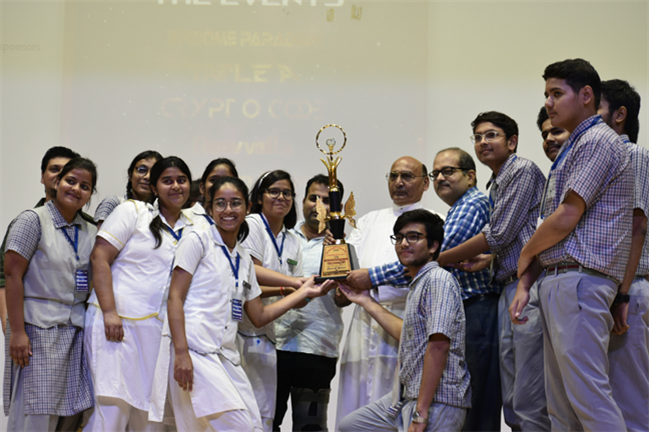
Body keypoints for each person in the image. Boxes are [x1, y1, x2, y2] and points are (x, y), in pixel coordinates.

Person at [149, 177, 335, 432]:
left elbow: (259, 315)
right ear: (209, 207)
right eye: (220, 203)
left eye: (235, 203)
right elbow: (175, 298)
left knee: (252, 425)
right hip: (194, 349)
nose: (228, 210)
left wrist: (302, 291)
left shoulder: (243, 258)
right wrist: (181, 353)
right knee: (238, 426)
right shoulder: (197, 240)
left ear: (247, 207)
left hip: (226, 354)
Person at [510, 58, 633, 432]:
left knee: (589, 399)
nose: (548, 102)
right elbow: (556, 222)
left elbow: (567, 215)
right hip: (561, 279)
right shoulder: (575, 144)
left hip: (580, 280)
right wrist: (526, 282)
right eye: (546, 94)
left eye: (556, 93)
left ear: (586, 95)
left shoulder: (598, 140)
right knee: (562, 408)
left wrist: (526, 253)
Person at [348, 149, 500, 431]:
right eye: (436, 172)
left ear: (470, 176)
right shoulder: (377, 224)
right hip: (454, 321)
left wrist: (371, 277)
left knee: (477, 410)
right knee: (353, 422)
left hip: (476, 312)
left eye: (448, 171)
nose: (441, 177)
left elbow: (437, 257)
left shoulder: (470, 207)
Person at [435, 112, 548, 431]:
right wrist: (488, 260)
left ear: (512, 142)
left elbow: (498, 233)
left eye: (492, 135)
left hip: (529, 285)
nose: (483, 142)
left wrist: (436, 259)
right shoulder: (496, 182)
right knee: (512, 395)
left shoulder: (521, 169)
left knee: (528, 392)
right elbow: (513, 238)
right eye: (478, 137)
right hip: (507, 284)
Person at [84, 156, 194, 432]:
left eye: (181, 180)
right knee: (111, 413)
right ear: (154, 187)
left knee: (146, 417)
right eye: (167, 181)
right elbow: (99, 257)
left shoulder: (194, 227)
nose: (175, 186)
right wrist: (110, 312)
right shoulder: (132, 211)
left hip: (155, 333)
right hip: (115, 327)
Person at [338, 209, 471, 432]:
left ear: (433, 246)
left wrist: (421, 413)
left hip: (438, 401)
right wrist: (365, 300)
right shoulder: (419, 282)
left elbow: (439, 345)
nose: (403, 243)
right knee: (351, 426)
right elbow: (408, 334)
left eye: (413, 237)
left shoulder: (438, 279)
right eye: (399, 238)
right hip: (409, 397)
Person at [335, 156, 441, 429]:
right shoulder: (368, 221)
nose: (398, 182)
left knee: (396, 407)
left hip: (406, 318)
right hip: (363, 321)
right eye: (393, 176)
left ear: (425, 183)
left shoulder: (436, 221)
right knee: (354, 405)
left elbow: (422, 270)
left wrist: (370, 278)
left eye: (407, 176)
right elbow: (348, 268)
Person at [3, 157, 98, 431]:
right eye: (71, 181)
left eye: (85, 186)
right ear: (57, 183)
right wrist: (17, 332)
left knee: (72, 417)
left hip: (76, 333)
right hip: (37, 331)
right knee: (35, 414)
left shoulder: (91, 230)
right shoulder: (32, 220)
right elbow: (12, 275)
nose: (76, 189)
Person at [273, 174, 345, 432]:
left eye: (326, 200)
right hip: (274, 343)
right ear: (302, 201)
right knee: (267, 422)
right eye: (313, 198)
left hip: (317, 347)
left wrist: (338, 254)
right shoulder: (281, 237)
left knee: (310, 427)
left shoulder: (343, 245)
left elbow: (344, 298)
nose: (319, 205)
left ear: (337, 207)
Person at [598, 78, 649, 432]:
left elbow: (637, 225)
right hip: (607, 289)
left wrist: (623, 293)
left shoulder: (634, 155)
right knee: (604, 396)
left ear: (619, 115)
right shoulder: (599, 160)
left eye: (595, 109)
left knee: (629, 397)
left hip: (628, 288)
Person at [239, 170, 304, 432]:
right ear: (259, 197)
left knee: (264, 416)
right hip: (240, 332)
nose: (281, 197)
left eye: (287, 193)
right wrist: (293, 286)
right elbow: (250, 272)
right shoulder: (252, 223)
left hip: (269, 335)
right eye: (274, 191)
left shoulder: (293, 240)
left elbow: (298, 296)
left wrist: (309, 291)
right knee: (240, 413)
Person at [0, 146, 81, 333]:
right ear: (42, 176)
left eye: (67, 172)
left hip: (78, 329)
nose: (60, 175)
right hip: (35, 328)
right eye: (54, 169)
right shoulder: (27, 222)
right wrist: (12, 331)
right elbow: (4, 279)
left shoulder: (90, 228)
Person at [93, 150, 162, 227]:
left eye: (154, 173)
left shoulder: (162, 214)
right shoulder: (114, 203)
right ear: (130, 175)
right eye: (142, 170)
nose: (147, 177)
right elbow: (100, 233)